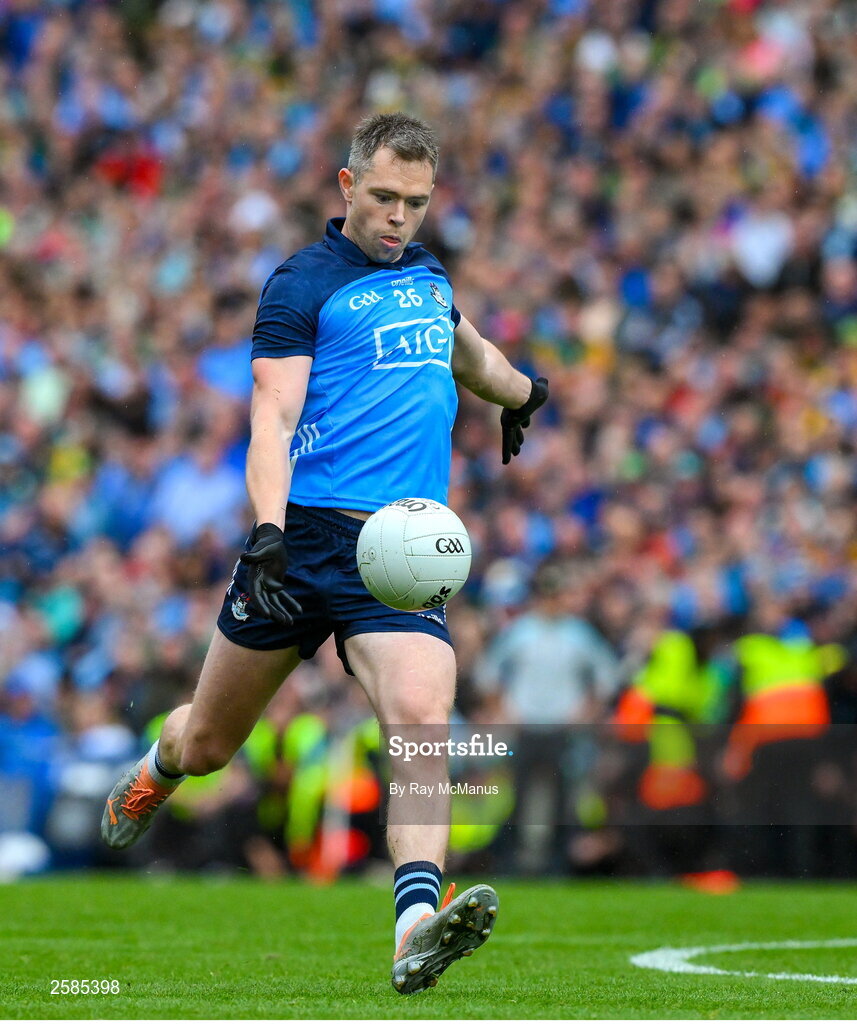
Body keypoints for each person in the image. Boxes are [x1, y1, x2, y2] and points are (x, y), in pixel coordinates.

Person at [99, 112, 549, 994]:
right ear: (347, 188)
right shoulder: (301, 285)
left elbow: (469, 351)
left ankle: (415, 922)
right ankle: (156, 770)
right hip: (301, 540)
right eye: (382, 197)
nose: (397, 217)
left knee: (423, 719)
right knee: (210, 744)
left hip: (403, 550)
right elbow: (269, 415)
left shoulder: (426, 277)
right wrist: (265, 531)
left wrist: (525, 391)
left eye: (414, 203)